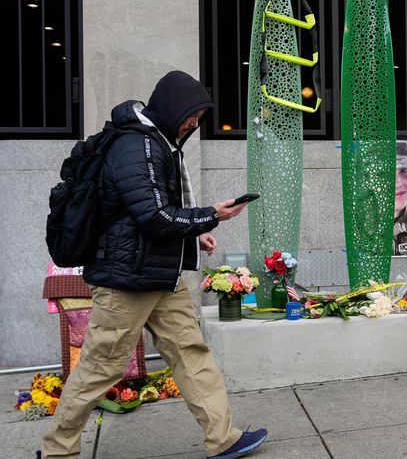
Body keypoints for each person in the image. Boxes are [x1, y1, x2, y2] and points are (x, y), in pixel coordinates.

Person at [41, 71, 267, 459]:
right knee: (101, 367)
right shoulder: (136, 146)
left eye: (199, 117)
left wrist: (194, 233)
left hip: (159, 275)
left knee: (189, 351)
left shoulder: (158, 143)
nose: (195, 123)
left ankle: (223, 438)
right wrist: (211, 216)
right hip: (126, 281)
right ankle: (57, 450)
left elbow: (151, 214)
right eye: (192, 114)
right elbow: (154, 217)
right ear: (171, 108)